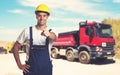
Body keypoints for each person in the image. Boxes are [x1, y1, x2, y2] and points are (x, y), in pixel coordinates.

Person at [13, 4, 57, 75]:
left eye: (44, 16)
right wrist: (19, 65)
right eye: (39, 15)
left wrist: (48, 34)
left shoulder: (51, 31)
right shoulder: (27, 31)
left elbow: (54, 37)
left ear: (48, 17)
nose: (42, 18)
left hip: (46, 69)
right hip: (30, 70)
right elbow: (15, 47)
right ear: (36, 16)